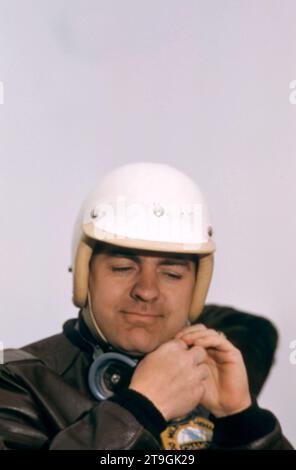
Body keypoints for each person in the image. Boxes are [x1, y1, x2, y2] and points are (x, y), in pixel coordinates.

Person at [0, 162, 292, 450]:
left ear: (195, 289)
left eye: (172, 274)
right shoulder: (15, 382)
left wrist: (243, 423)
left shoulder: (207, 385)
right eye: (122, 267)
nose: (147, 291)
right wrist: (138, 410)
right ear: (84, 275)